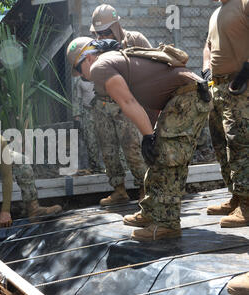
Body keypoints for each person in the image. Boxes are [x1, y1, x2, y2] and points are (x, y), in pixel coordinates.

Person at [66, 37, 212, 241]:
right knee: (157, 155)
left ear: (88, 58)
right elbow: (148, 99)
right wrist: (151, 134)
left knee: (168, 160)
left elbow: (128, 102)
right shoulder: (112, 61)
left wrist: (148, 136)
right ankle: (151, 213)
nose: (81, 76)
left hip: (188, 96)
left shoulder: (100, 67)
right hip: (179, 97)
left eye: (79, 70)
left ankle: (167, 224)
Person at [87, 4, 152, 206]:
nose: (102, 36)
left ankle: (144, 189)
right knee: (108, 149)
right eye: (99, 33)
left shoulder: (135, 40)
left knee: (132, 148)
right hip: (102, 103)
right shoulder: (94, 46)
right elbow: (87, 73)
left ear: (116, 27)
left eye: (106, 31)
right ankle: (119, 190)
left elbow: (152, 65)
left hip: (126, 103)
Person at [202, 0, 249, 229]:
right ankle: (237, 196)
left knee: (239, 144)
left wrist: (247, 70)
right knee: (221, 144)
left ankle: (248, 205)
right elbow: (208, 46)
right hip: (217, 87)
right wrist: (205, 69)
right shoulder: (216, 13)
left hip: (241, 86)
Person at [72, 76, 104, 175]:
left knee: (107, 140)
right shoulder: (79, 81)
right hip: (88, 113)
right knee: (91, 141)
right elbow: (77, 99)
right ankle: (95, 168)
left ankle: (112, 167)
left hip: (103, 111)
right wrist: (77, 117)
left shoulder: (101, 76)